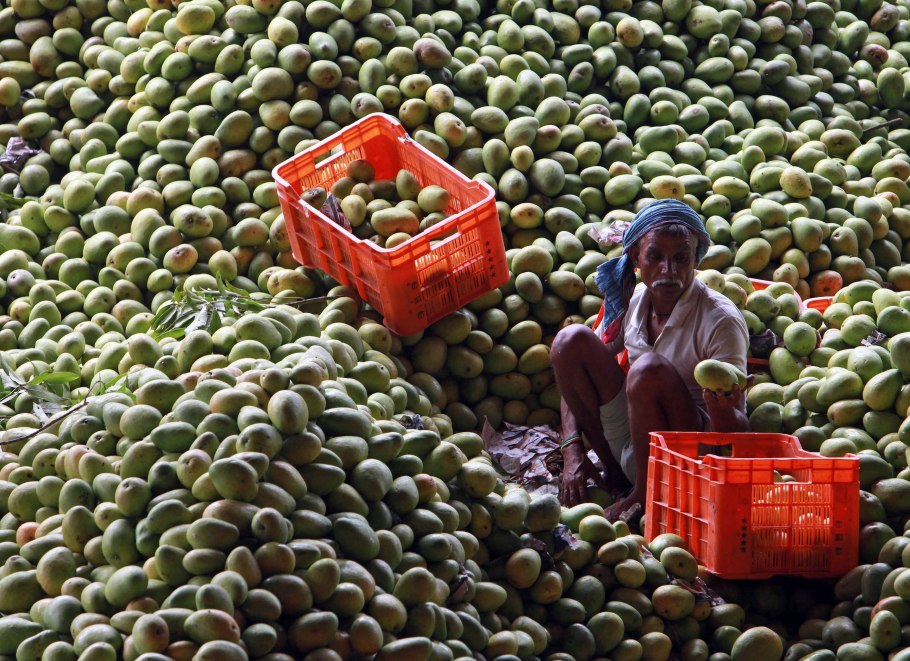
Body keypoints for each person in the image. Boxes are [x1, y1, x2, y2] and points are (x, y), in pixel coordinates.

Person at [551, 199, 750, 518]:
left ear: (695, 260)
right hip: (632, 436)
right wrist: (572, 447)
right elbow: (575, 370)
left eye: (681, 258)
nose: (668, 271)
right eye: (656, 257)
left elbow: (737, 432)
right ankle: (616, 473)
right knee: (570, 340)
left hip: (687, 456)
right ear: (636, 258)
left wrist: (722, 409)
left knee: (647, 369)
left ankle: (645, 495)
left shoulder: (721, 321)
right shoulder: (635, 299)